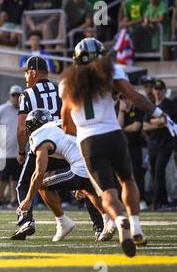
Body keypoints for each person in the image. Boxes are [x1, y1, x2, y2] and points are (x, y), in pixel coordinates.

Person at [59, 38, 173, 257]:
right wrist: (161, 114)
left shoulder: (67, 82)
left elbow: (65, 124)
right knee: (127, 180)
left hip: (89, 141)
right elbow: (135, 97)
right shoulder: (112, 71)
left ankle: (120, 220)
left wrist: (82, 130)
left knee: (107, 193)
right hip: (113, 134)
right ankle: (136, 227)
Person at [17, 109, 107, 241]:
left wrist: (28, 199)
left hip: (83, 167)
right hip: (97, 158)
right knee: (89, 188)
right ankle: (108, 220)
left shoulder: (39, 135)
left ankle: (63, 222)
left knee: (41, 183)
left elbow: (39, 173)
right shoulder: (58, 125)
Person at [13, 56, 62, 240]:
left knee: (24, 184)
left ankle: (25, 221)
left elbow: (21, 129)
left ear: (33, 72)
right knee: (85, 183)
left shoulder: (28, 94)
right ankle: (100, 224)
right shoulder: (59, 90)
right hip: (64, 143)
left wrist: (21, 151)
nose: (25, 76)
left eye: (27, 72)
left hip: (42, 145)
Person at [143, 79, 177, 211]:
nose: (158, 92)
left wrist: (154, 122)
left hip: (166, 143)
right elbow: (145, 125)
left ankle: (158, 202)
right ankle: (162, 200)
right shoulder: (151, 105)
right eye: (156, 89)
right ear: (153, 91)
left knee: (159, 171)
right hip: (153, 144)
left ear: (164, 90)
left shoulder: (169, 104)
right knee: (154, 172)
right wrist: (158, 122)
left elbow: (166, 120)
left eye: (160, 89)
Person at [0, 85, 23, 208]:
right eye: (13, 95)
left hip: (19, 151)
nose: (16, 97)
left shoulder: (23, 109)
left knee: (16, 178)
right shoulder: (1, 109)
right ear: (10, 96)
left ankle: (14, 199)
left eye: (18, 95)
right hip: (5, 151)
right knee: (2, 178)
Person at [116, 94, 147, 211]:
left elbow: (136, 127)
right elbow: (118, 126)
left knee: (137, 174)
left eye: (127, 97)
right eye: (122, 98)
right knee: (122, 175)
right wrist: (121, 111)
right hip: (122, 148)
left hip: (135, 147)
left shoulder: (137, 109)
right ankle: (123, 200)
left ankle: (141, 199)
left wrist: (123, 129)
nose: (125, 100)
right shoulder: (118, 110)